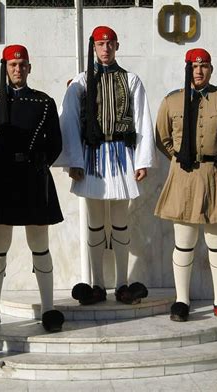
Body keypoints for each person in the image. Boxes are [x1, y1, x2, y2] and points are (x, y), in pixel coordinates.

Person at [56, 26, 156, 305]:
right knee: (96, 223)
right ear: (94, 47)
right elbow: (70, 122)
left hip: (122, 154)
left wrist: (143, 159)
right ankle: (98, 284)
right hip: (92, 156)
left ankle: (122, 283)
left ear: (117, 45)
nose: (105, 48)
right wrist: (73, 161)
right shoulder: (81, 81)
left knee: (121, 223)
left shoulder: (131, 79)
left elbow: (142, 120)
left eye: (110, 43)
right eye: (101, 44)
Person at [0, 45, 64, 334]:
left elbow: (55, 144)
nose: (18, 69)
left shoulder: (44, 102)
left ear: (29, 67)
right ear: (5, 67)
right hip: (0, 180)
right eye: (12, 64)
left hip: (33, 179)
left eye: (22, 64)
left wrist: (39, 164)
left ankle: (48, 309)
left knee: (40, 245)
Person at [155, 48, 217, 322]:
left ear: (211, 69)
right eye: (194, 66)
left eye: (204, 66)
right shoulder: (172, 101)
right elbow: (161, 138)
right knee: (184, 242)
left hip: (216, 175)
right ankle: (182, 301)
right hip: (184, 176)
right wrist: (177, 157)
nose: (199, 70)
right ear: (187, 69)